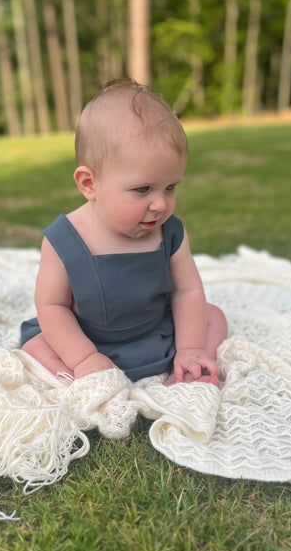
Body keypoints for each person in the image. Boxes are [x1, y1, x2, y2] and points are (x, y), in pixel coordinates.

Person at [20, 78, 227, 386]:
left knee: (212, 315)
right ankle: (82, 376)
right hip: (84, 338)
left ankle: (188, 367)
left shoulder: (170, 233)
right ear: (89, 184)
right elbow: (52, 306)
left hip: (155, 331)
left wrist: (191, 346)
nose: (159, 203)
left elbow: (187, 291)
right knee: (35, 347)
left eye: (170, 187)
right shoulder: (64, 239)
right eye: (142, 189)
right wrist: (83, 357)